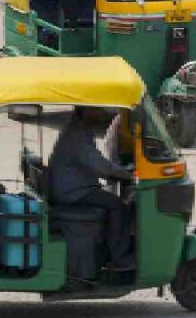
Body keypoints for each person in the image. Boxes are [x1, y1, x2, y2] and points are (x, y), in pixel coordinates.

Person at [49, 107, 136, 270]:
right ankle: (119, 257)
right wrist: (126, 174)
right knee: (119, 206)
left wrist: (118, 172)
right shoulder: (77, 134)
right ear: (86, 111)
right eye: (97, 109)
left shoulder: (79, 129)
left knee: (114, 200)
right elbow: (98, 164)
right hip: (73, 193)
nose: (102, 113)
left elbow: (95, 162)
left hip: (74, 187)